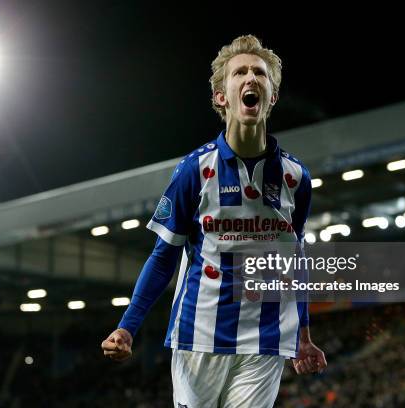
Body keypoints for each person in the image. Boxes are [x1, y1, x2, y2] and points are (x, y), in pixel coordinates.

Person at [101, 34, 326, 407]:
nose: (251, 78)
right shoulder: (194, 170)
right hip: (199, 336)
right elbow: (163, 257)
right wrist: (128, 325)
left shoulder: (296, 177)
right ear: (222, 97)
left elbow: (294, 260)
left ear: (272, 97)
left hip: (265, 338)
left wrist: (303, 332)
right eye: (240, 72)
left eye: (260, 73)